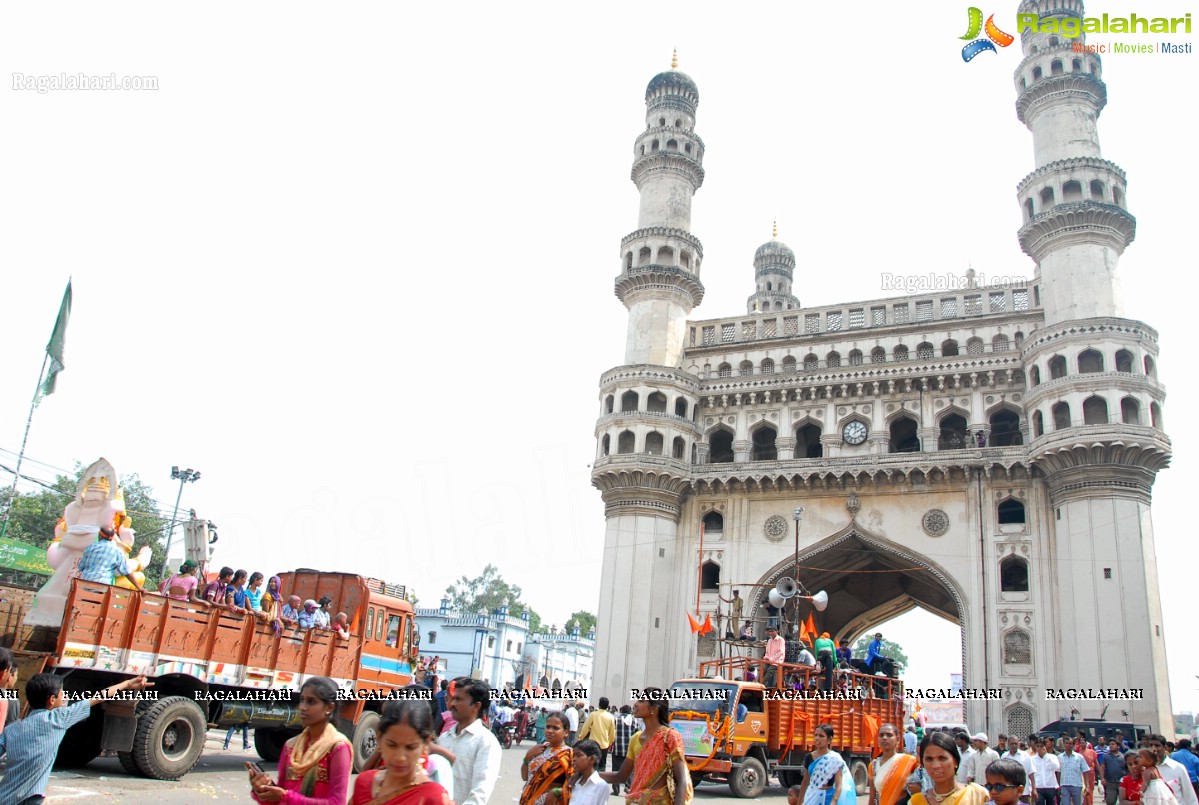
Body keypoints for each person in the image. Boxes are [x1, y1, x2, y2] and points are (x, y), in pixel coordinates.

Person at [0, 673, 153, 805]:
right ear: (52, 700)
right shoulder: (58, 719)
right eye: (62, 694)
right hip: (30, 797)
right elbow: (98, 697)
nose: (65, 696)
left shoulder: (11, 730)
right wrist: (127, 683)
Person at [250, 676, 351, 804]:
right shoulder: (291, 746)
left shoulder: (337, 747)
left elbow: (337, 802)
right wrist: (263, 788)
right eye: (302, 700)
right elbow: (280, 797)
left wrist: (286, 797)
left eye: (311, 702)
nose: (303, 707)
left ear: (329, 708)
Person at [350, 698, 453, 805]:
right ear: (379, 739)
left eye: (410, 747)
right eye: (392, 745)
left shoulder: (433, 797)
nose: (400, 757)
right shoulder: (365, 783)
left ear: (426, 744)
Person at [601, 688, 692, 805]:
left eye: (641, 700)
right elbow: (621, 776)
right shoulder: (635, 738)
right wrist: (590, 773)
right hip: (636, 801)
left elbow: (682, 780)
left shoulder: (670, 736)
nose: (635, 704)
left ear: (654, 709)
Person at [438, 677, 501, 805]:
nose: (452, 704)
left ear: (476, 706)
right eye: (453, 698)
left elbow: (479, 794)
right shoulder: (444, 738)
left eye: (458, 699)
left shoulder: (486, 742)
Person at [908, 730, 990, 805]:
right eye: (929, 759)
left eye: (942, 758)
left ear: (955, 761)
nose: (936, 765)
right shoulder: (916, 802)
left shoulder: (977, 796)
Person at [521, 711, 573, 805]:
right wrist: (527, 757)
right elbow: (525, 777)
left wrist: (556, 792)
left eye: (555, 728)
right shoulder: (541, 749)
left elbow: (574, 787)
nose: (550, 731)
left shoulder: (568, 755)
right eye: (548, 727)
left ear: (566, 732)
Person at [797, 723, 857, 805]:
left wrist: (834, 801)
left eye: (821, 736)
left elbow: (839, 786)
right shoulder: (809, 757)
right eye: (816, 735)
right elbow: (805, 782)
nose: (817, 738)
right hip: (811, 797)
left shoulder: (835, 759)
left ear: (829, 740)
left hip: (828, 798)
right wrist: (800, 801)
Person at [76, 525, 143, 589]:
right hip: (102, 587)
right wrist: (139, 588)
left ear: (100, 535)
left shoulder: (91, 547)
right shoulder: (117, 552)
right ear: (112, 537)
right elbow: (126, 572)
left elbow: (81, 567)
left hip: (84, 584)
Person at [870, 723, 920, 805]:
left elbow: (926, 785)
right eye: (881, 735)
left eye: (889, 735)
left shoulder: (910, 761)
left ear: (898, 739)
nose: (884, 738)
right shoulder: (873, 766)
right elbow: (873, 797)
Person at [1149, 734, 1198, 805]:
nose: (1153, 749)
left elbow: (1189, 795)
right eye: (1150, 746)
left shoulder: (1177, 768)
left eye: (1157, 746)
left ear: (1164, 747)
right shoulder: (1144, 770)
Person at [578, 697, 616, 770]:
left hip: (593, 744)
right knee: (602, 765)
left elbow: (585, 727)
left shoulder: (593, 714)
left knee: (592, 764)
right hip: (604, 745)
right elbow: (612, 732)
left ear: (599, 705)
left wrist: (581, 737)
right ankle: (601, 779)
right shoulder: (611, 717)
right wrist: (610, 742)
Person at [571, 739, 611, 805]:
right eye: (573, 756)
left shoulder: (601, 786)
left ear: (592, 759)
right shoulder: (573, 782)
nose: (574, 759)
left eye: (578, 755)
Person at [612, 705, 636, 795]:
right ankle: (628, 787)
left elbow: (611, 732)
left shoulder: (616, 720)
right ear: (630, 711)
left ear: (621, 710)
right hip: (629, 750)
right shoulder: (634, 720)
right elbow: (638, 733)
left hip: (617, 748)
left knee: (616, 769)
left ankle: (616, 789)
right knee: (630, 769)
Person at [1059, 739, 1093, 805]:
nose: (1068, 745)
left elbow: (1085, 771)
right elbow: (1058, 772)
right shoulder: (1060, 757)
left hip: (1077, 785)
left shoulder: (1079, 757)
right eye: (1066, 743)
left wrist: (1087, 786)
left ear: (1073, 745)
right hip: (1064, 785)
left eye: (1070, 743)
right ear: (1064, 744)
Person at [1031, 738, 1061, 805]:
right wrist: (1032, 788)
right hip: (1038, 787)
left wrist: (1047, 756)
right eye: (1038, 746)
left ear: (1045, 746)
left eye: (1041, 746)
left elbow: (1057, 768)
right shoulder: (1032, 759)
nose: (1039, 748)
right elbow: (1031, 773)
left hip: (1050, 786)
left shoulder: (1052, 757)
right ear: (1035, 747)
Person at [1101, 741, 1129, 805]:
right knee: (1110, 801)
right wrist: (1102, 778)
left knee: (1124, 801)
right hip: (1110, 782)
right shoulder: (1106, 757)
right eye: (1110, 744)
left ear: (1118, 746)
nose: (1111, 746)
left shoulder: (1123, 757)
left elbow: (1127, 769)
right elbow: (1102, 767)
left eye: (1113, 744)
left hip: (1122, 783)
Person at [0, 648, 20, 735]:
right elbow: (12, 727)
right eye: (15, 675)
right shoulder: (8, 698)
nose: (16, 678)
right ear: (5, 674)